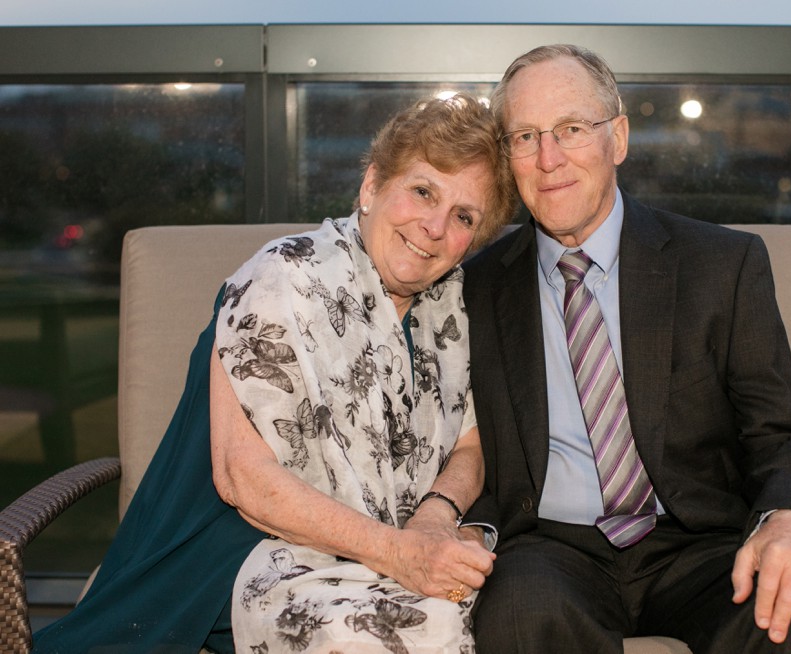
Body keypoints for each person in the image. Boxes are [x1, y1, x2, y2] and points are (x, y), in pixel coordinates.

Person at [32, 93, 516, 654]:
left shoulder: (448, 308)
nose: (434, 226)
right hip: (232, 555)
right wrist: (399, 552)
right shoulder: (283, 278)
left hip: (381, 550)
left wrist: (435, 515)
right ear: (372, 186)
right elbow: (245, 479)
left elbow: (471, 444)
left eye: (463, 217)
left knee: (505, 598)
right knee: (422, 627)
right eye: (423, 190)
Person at [462, 44, 791, 654]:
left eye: (571, 129)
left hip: (701, 542)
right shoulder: (475, 286)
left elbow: (785, 433)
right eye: (525, 137)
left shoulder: (721, 264)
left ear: (617, 138)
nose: (549, 159)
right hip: (550, 547)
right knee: (518, 615)